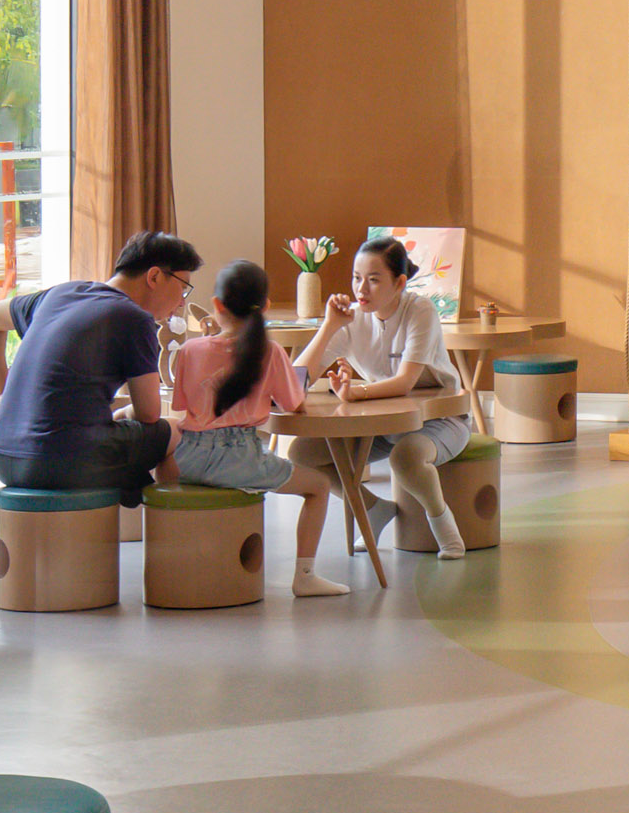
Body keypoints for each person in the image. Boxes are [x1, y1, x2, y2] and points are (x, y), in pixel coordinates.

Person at [166, 258, 346, 596]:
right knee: (319, 486)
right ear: (264, 306)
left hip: (188, 459)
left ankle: (175, 556)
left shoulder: (190, 349)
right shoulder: (270, 352)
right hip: (241, 462)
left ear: (217, 306)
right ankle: (305, 576)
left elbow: (182, 408)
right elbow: (294, 404)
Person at [292, 233, 473, 558]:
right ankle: (371, 508)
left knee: (405, 458)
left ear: (400, 282)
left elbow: (405, 381)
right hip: (385, 423)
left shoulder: (420, 310)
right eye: (356, 278)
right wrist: (329, 326)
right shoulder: (351, 317)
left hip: (440, 420)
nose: (361, 290)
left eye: (373, 280)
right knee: (302, 453)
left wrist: (355, 393)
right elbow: (295, 381)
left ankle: (445, 527)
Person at [0, 230, 199, 496]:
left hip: (3, 456)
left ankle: (118, 521)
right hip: (67, 461)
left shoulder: (59, 294)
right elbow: (149, 414)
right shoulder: (135, 318)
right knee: (178, 432)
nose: (180, 303)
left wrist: (3, 390)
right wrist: (127, 414)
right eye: (183, 288)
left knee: (119, 426)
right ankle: (164, 532)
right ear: (154, 277)